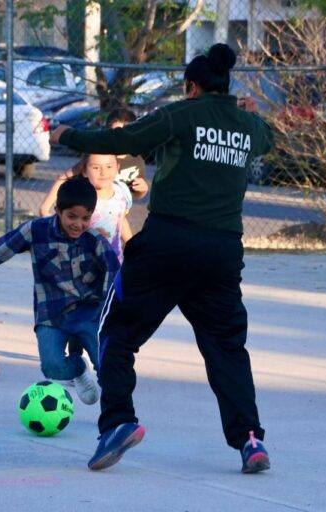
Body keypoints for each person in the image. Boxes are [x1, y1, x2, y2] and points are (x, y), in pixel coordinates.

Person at [50, 43, 274, 473]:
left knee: (116, 332)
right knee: (227, 347)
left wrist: (68, 136)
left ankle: (117, 423)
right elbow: (267, 137)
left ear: (191, 87)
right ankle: (249, 439)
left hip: (168, 242)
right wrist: (247, 113)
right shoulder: (247, 125)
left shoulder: (181, 114)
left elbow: (122, 140)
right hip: (222, 252)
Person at [0, 179, 121, 405]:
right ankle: (77, 368)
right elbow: (5, 246)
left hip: (88, 311)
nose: (78, 224)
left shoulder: (94, 240)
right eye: (72, 217)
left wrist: (107, 310)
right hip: (52, 312)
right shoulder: (36, 230)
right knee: (52, 367)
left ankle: (115, 408)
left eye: (85, 218)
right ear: (58, 211)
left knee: (105, 359)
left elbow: (114, 271)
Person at [39, 153, 133, 260]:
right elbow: (56, 219)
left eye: (109, 166)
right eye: (96, 167)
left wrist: (132, 244)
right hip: (82, 263)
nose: (103, 172)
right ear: (84, 170)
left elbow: (120, 219)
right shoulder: (79, 197)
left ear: (117, 168)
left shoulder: (122, 191)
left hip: (113, 260)